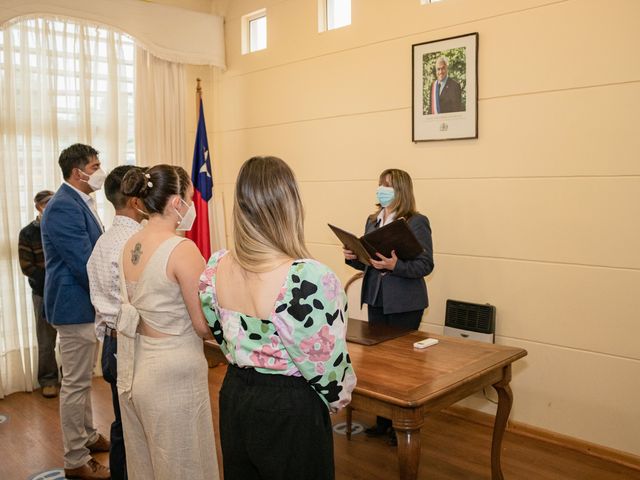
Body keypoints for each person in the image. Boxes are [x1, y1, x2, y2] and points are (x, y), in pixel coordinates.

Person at [199, 156, 357, 480]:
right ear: (289, 206)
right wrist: (337, 400)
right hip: (291, 406)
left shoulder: (216, 267)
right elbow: (328, 366)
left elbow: (219, 334)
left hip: (236, 396)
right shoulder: (307, 278)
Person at [117, 164, 218, 480]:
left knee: (146, 462)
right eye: (189, 198)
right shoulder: (183, 249)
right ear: (176, 203)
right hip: (175, 370)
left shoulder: (130, 244)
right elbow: (201, 325)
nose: (191, 206)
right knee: (183, 463)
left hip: (139, 362)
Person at [344, 168, 434, 445]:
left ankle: (402, 427)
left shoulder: (417, 222)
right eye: (381, 184)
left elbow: (425, 264)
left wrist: (397, 266)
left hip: (406, 302)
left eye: (389, 186)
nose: (382, 190)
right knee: (379, 364)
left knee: (403, 369)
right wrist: (353, 256)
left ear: (402, 191)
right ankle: (383, 422)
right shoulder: (373, 220)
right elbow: (369, 260)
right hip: (376, 297)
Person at [41, 143, 110, 479]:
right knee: (76, 384)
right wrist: (108, 297)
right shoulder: (63, 207)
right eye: (95, 165)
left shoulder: (79, 200)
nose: (100, 171)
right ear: (77, 171)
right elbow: (84, 263)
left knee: (81, 380)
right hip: (74, 305)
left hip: (82, 303)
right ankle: (75, 459)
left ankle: (87, 434)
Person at [87, 165, 147, 480]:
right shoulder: (139, 243)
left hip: (111, 341)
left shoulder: (102, 243)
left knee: (122, 421)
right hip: (136, 343)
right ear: (138, 201)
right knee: (144, 424)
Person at [19, 190, 59, 398]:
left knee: (71, 338)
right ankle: (48, 380)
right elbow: (27, 267)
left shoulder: (60, 227)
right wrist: (50, 281)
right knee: (46, 341)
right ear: (38, 207)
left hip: (64, 292)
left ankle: (69, 377)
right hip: (42, 293)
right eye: (47, 203)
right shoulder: (27, 233)